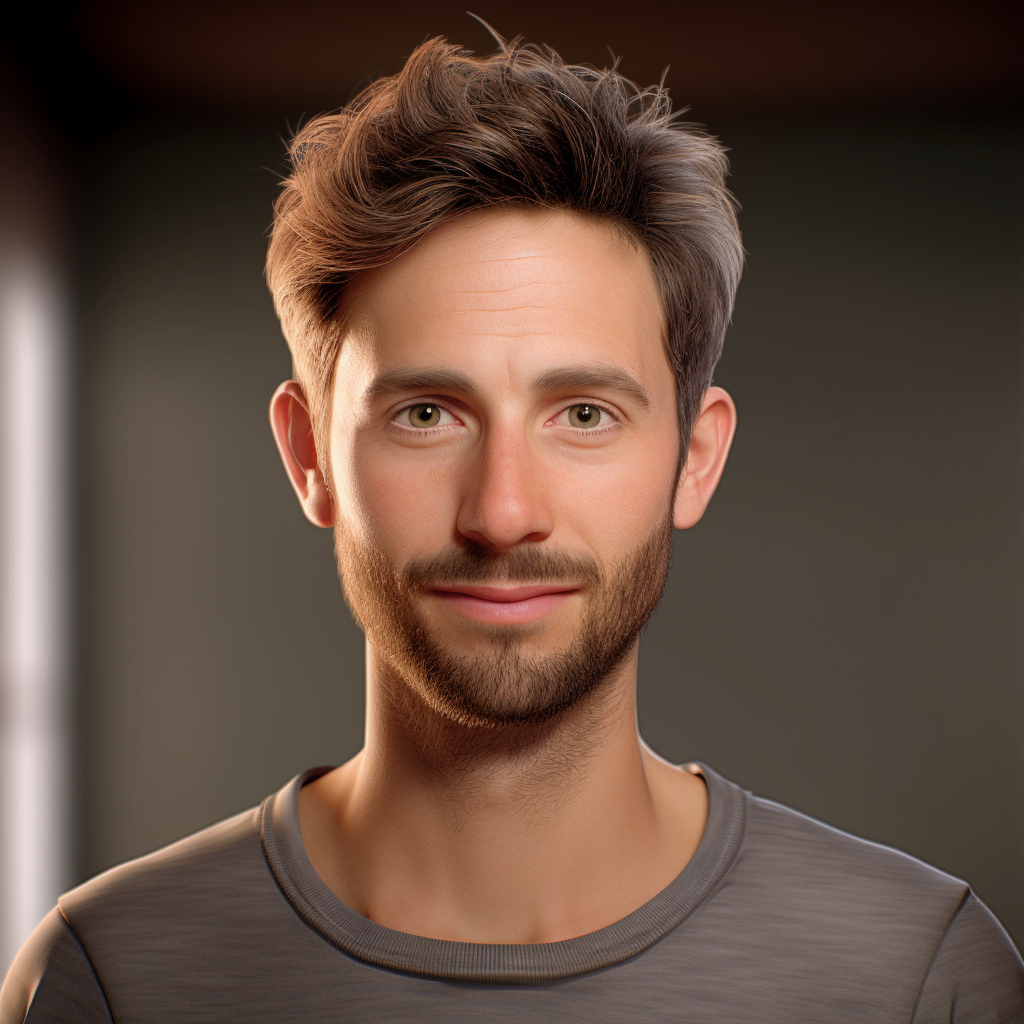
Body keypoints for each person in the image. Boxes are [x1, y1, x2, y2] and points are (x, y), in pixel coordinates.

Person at [3, 31, 1022, 1023]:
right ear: (310, 454)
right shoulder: (114, 978)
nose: (501, 513)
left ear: (693, 457)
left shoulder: (916, 978)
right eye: (425, 414)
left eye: (583, 414)